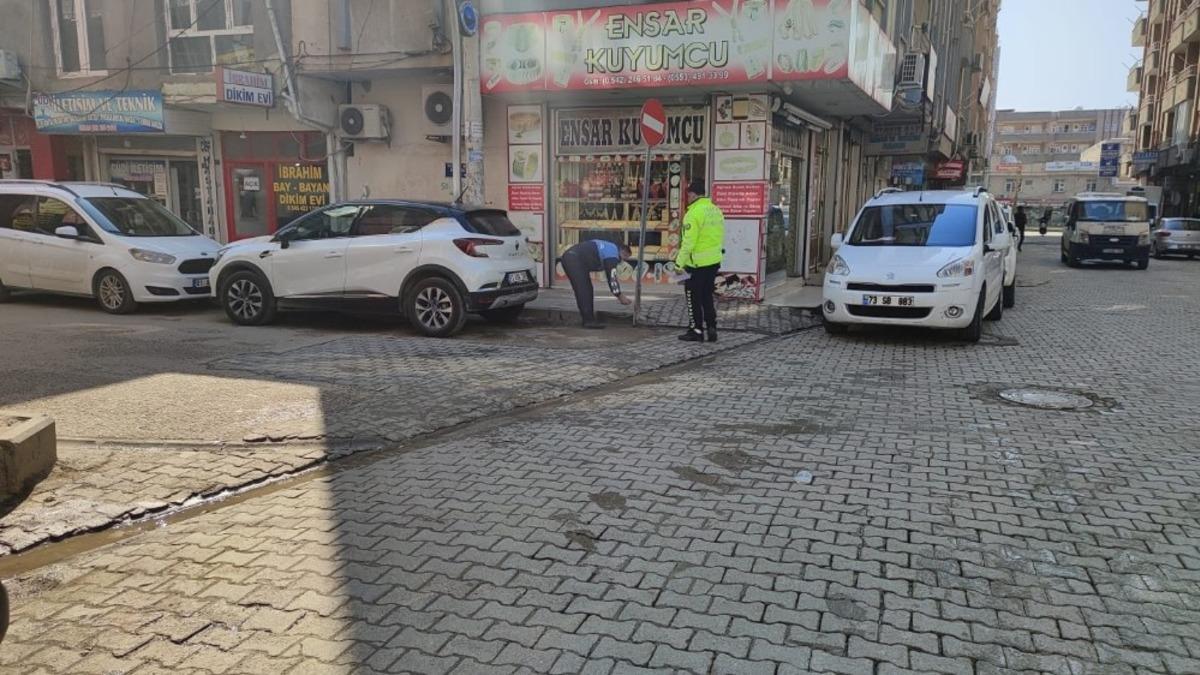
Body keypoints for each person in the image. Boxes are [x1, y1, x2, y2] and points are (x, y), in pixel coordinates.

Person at [676, 179, 725, 343]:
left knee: (692, 297)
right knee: (707, 296)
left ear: (693, 194)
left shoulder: (693, 213)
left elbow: (688, 242)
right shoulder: (716, 210)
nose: (688, 197)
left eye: (688, 194)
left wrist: (678, 264)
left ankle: (696, 331)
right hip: (713, 261)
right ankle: (712, 327)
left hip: (695, 265)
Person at [559, 239, 633, 328]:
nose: (622, 261)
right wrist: (620, 295)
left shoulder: (609, 247)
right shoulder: (612, 253)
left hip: (572, 258)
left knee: (586, 289)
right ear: (622, 251)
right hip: (573, 259)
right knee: (584, 290)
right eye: (624, 258)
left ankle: (588, 319)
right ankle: (588, 321)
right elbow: (612, 277)